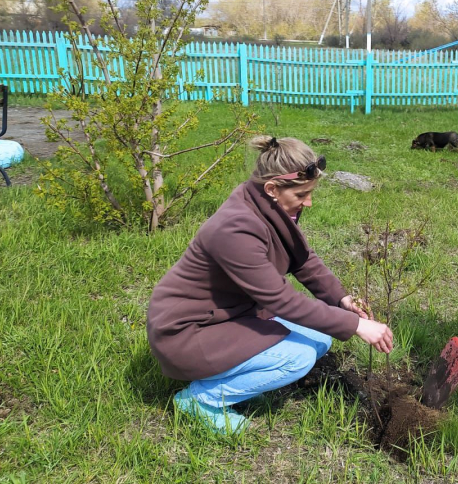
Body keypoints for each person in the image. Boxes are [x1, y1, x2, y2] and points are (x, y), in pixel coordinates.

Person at [147, 136, 393, 434]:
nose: (309, 202)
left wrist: (342, 300)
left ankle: (236, 378)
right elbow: (283, 301)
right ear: (273, 188)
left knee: (320, 339)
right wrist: (356, 326)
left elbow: (303, 260)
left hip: (229, 316)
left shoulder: (269, 207)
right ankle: (201, 400)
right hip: (186, 332)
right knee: (298, 358)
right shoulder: (235, 228)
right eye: (302, 194)